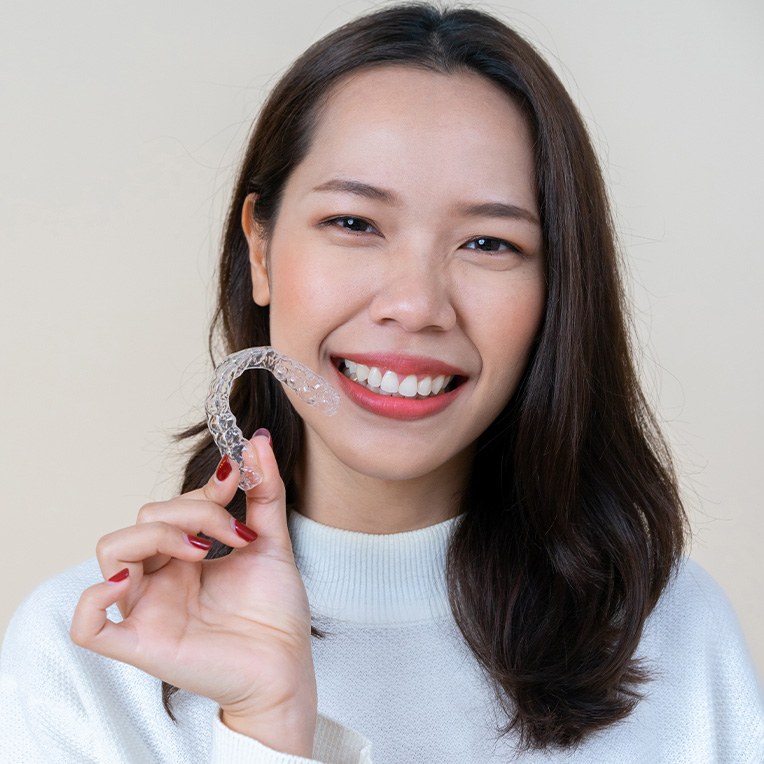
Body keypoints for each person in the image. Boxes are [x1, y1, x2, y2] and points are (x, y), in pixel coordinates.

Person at [1, 4, 762, 763]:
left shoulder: (674, 638)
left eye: (490, 242)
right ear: (260, 250)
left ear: (557, 288)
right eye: (355, 224)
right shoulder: (91, 653)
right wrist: (268, 727)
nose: (416, 306)